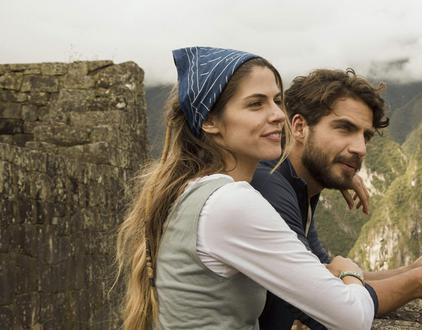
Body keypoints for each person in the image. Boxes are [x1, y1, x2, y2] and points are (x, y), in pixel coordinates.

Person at [115, 47, 380, 330]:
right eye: (256, 104)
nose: (278, 115)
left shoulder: (193, 191)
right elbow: (352, 319)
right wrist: (350, 274)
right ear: (210, 121)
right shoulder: (230, 203)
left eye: (277, 101)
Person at [251, 68, 422, 329]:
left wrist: (413, 271)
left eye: (365, 136)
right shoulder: (269, 186)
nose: (360, 148)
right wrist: (420, 282)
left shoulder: (299, 185)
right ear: (299, 127)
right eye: (344, 129)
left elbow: (325, 275)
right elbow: (327, 305)